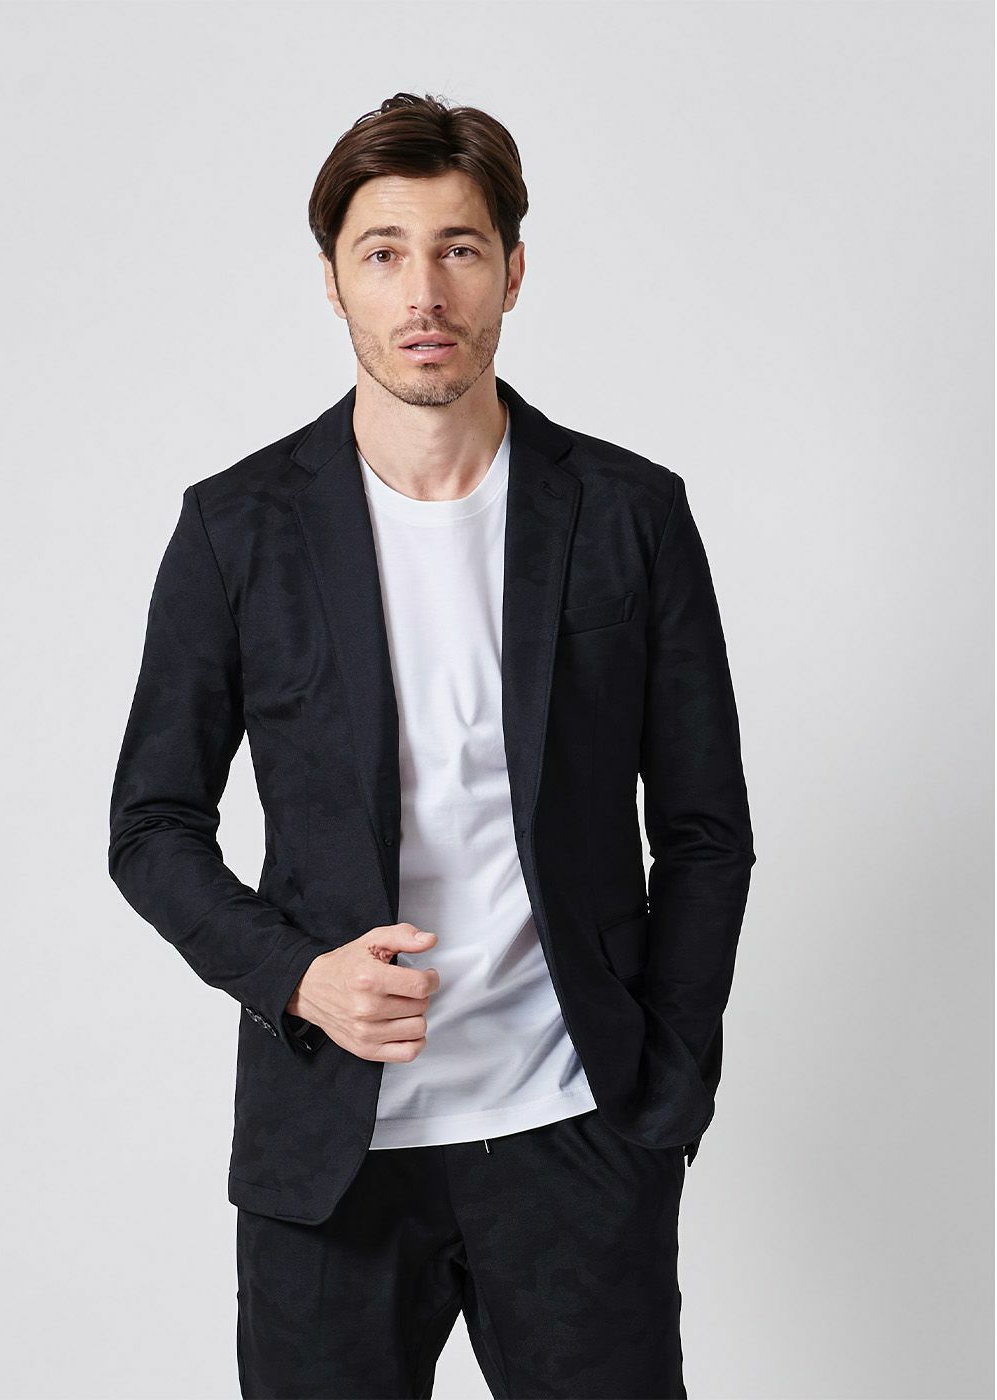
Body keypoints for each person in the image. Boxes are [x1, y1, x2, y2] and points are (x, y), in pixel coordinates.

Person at [108, 90, 756, 1400]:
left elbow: (705, 831)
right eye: (383, 251)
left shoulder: (630, 514)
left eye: (459, 248)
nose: (424, 292)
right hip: (329, 1153)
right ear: (334, 281)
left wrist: (664, 1096)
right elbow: (152, 828)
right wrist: (298, 978)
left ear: (511, 270)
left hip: (575, 1134)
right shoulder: (238, 529)